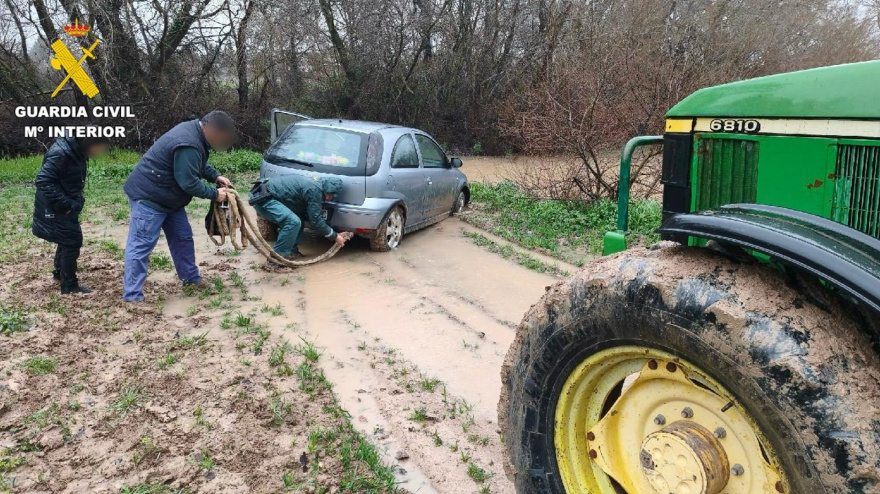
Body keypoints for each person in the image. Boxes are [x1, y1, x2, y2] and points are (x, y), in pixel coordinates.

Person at [121, 110, 237, 302]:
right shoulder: (188, 143)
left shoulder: (195, 133)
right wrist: (215, 194)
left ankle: (191, 279)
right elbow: (189, 182)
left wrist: (214, 176)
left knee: (182, 238)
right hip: (149, 198)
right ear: (211, 130)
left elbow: (195, 164)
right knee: (140, 246)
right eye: (221, 137)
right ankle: (132, 297)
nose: (222, 142)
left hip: (169, 198)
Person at [32, 133, 110, 294]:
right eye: (99, 148)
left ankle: (60, 273)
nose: (99, 152)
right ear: (89, 142)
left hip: (65, 203)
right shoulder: (61, 153)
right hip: (57, 206)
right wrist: (67, 204)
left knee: (66, 239)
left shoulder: (75, 150)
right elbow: (43, 180)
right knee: (72, 240)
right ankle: (69, 286)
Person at [251, 174, 347, 263]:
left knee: (298, 217)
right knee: (293, 222)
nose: (330, 198)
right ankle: (276, 261)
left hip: (264, 193)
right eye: (331, 195)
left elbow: (310, 216)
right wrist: (335, 236)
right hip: (262, 198)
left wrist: (334, 232)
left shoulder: (316, 183)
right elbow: (316, 221)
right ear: (327, 190)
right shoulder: (315, 190)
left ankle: (292, 251)